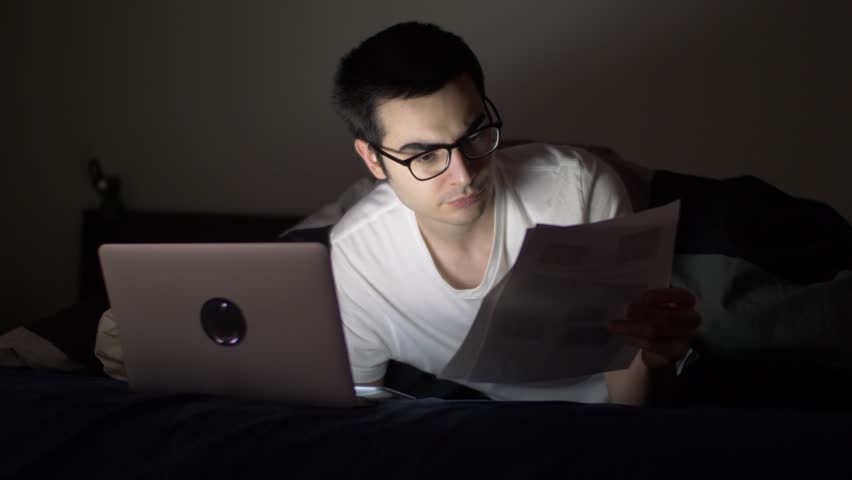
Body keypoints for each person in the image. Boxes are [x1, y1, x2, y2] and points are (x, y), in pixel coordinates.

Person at [329, 21, 701, 405]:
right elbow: (357, 410)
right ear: (373, 159)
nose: (464, 176)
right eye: (425, 155)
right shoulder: (357, 258)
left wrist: (651, 359)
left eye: (474, 136)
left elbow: (627, 377)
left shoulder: (577, 191)